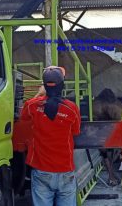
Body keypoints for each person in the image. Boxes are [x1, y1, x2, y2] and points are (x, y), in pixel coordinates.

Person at [20, 66, 81, 206]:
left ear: (44, 86)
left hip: (41, 171)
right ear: (62, 85)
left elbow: (23, 116)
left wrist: (39, 94)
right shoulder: (72, 109)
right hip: (65, 170)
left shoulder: (33, 106)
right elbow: (76, 132)